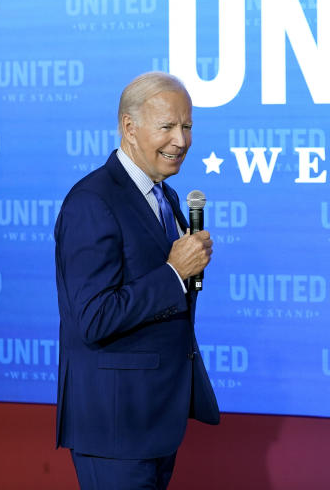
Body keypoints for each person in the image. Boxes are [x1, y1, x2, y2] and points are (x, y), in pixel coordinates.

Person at [54, 72, 219, 490]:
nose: (180, 140)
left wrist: (184, 270)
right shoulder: (92, 202)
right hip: (114, 427)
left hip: (155, 419)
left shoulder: (166, 196)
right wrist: (172, 273)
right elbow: (93, 317)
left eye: (187, 127)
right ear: (129, 128)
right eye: (167, 127)